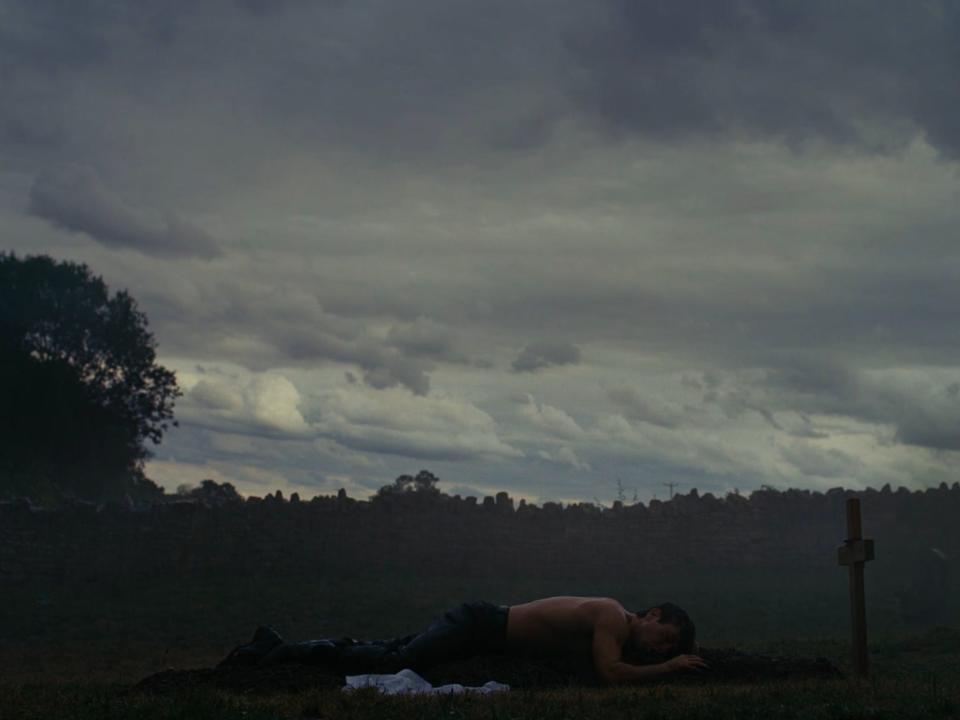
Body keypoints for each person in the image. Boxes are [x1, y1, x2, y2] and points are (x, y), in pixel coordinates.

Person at [218, 595, 708, 684]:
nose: (660, 649)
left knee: (390, 649)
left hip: (479, 632)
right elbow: (610, 674)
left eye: (668, 650)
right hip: (479, 624)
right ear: (653, 614)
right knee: (394, 663)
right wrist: (667, 670)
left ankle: (278, 645)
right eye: (666, 639)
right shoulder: (612, 617)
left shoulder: (617, 630)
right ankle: (280, 651)